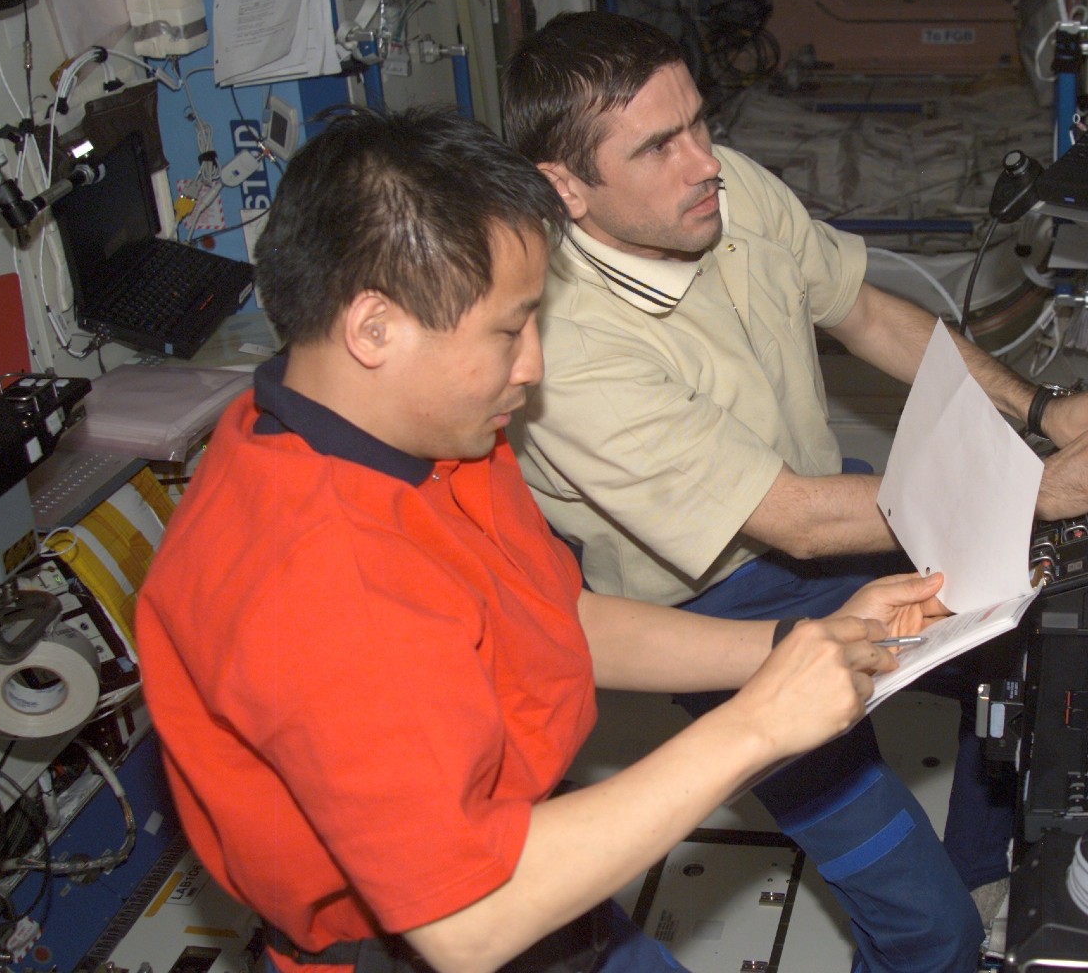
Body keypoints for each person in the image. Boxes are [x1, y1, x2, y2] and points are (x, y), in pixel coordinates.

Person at [136, 106, 959, 973]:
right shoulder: (320, 585)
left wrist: (801, 645)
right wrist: (758, 727)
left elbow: (554, 618)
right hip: (453, 925)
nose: (533, 366)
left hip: (534, 856)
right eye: (506, 330)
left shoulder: (401, 428)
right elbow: (466, 926)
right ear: (373, 328)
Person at [500, 11, 1088, 955]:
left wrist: (1042, 411)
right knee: (921, 922)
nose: (704, 163)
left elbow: (867, 315)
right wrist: (1030, 488)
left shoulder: (721, 191)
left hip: (837, 504)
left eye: (699, 122)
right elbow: (796, 523)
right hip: (720, 602)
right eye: (658, 146)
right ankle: (943, 917)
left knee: (1044, 632)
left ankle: (982, 870)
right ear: (565, 186)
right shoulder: (569, 345)